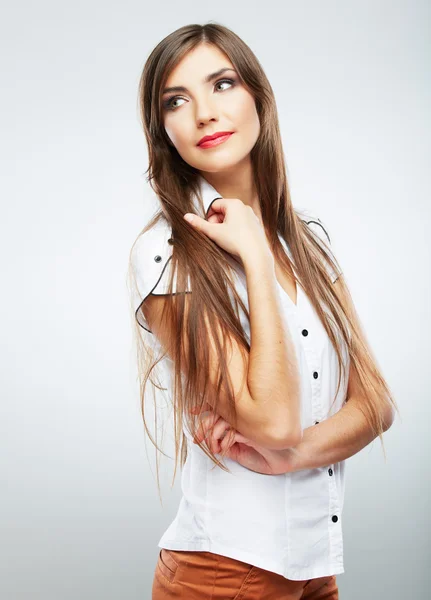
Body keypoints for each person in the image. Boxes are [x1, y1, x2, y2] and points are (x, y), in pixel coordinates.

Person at [128, 22, 398, 600]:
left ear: (258, 96)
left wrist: (289, 456)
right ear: (163, 131)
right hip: (224, 574)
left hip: (314, 569)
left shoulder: (309, 244)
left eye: (221, 84)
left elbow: (375, 404)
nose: (203, 112)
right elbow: (271, 419)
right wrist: (251, 252)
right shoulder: (167, 254)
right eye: (176, 100)